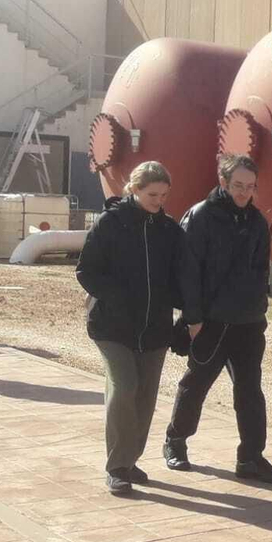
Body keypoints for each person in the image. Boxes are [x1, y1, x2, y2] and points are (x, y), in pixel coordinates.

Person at [162, 154, 272, 483]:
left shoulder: (257, 222)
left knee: (250, 392)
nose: (244, 192)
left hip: (248, 323)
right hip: (210, 321)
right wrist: (193, 317)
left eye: (250, 187)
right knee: (196, 384)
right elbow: (187, 271)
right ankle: (176, 441)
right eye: (238, 186)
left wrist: (259, 311)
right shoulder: (202, 216)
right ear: (223, 183)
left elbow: (261, 271)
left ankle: (251, 458)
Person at [76, 161, 183, 496]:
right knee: (124, 387)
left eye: (164, 195)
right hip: (112, 325)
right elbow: (86, 272)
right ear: (134, 190)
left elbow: (182, 277)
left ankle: (130, 458)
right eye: (152, 194)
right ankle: (116, 466)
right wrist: (119, 296)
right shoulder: (111, 224)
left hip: (154, 328)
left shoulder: (169, 231)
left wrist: (190, 313)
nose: (159, 201)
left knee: (146, 395)